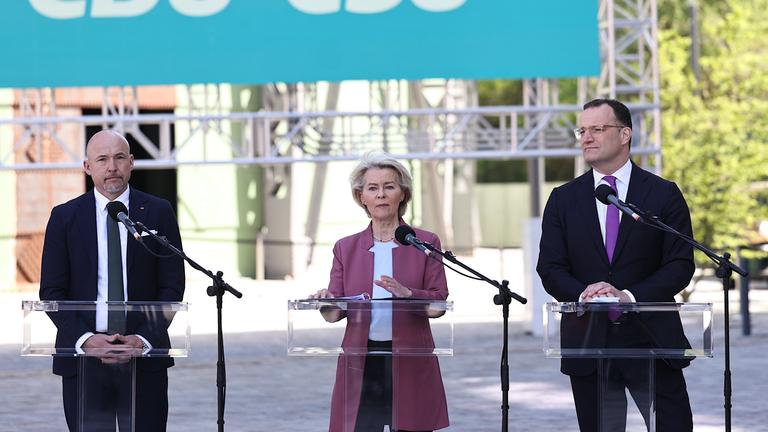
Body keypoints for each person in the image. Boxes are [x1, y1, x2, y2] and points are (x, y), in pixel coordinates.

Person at [536, 99, 695, 431]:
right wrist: (585, 293)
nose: (586, 137)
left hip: (651, 338)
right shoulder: (563, 198)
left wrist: (628, 295)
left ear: (625, 134)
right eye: (582, 130)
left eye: (598, 129)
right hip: (588, 340)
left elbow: (680, 263)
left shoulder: (662, 194)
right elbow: (550, 267)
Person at [40, 130, 185, 431]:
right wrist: (88, 340)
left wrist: (143, 339)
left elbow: (171, 285)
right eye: (102, 159)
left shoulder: (158, 212)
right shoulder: (64, 217)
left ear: (131, 162)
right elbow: (52, 291)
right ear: (87, 166)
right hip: (84, 360)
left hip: (144, 357)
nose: (112, 167)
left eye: (119, 158)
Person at [309, 152, 449, 432]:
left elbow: (438, 306)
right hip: (361, 360)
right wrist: (326, 301)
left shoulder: (426, 242)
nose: (381, 194)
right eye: (372, 188)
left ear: (403, 194)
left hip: (410, 357)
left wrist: (408, 294)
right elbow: (334, 313)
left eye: (389, 186)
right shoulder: (344, 248)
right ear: (361, 197)